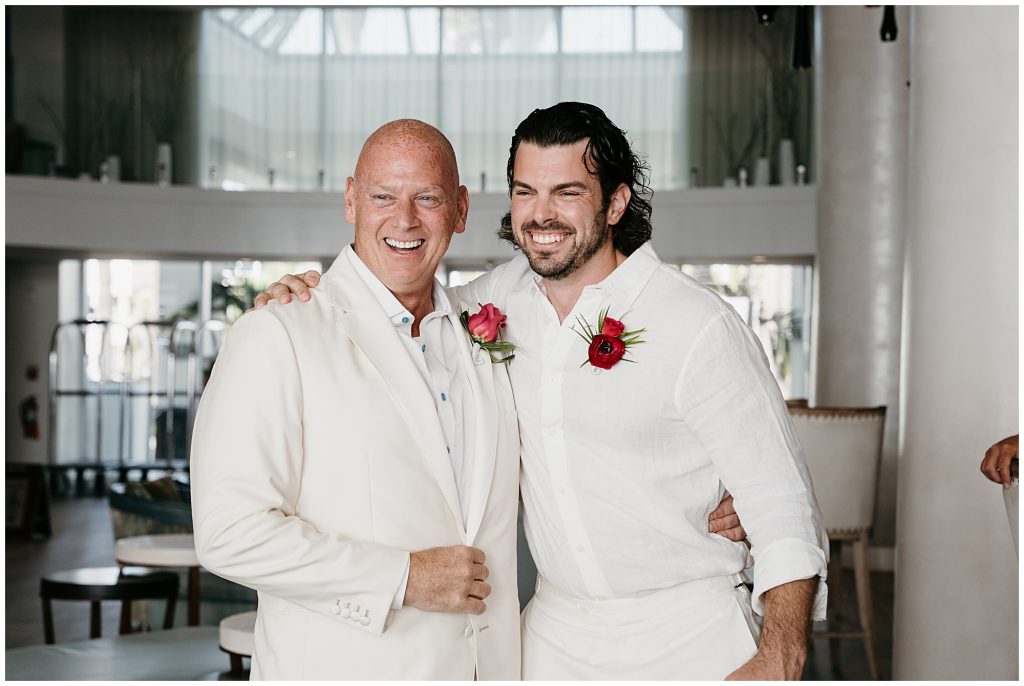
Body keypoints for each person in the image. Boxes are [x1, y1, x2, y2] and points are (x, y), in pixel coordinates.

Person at [257, 102, 827, 679]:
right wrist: (309, 299)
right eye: (525, 191)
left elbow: (781, 502)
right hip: (553, 640)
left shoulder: (699, 325)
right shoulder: (484, 307)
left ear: (616, 203)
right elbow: (395, 304)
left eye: (568, 192)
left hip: (690, 630)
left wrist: (780, 656)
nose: (541, 214)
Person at [189, 120, 524, 679]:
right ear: (351, 200)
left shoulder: (486, 327)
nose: (405, 219)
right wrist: (403, 577)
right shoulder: (279, 332)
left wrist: (713, 487)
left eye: (428, 197)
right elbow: (229, 533)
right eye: (382, 197)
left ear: (460, 210)